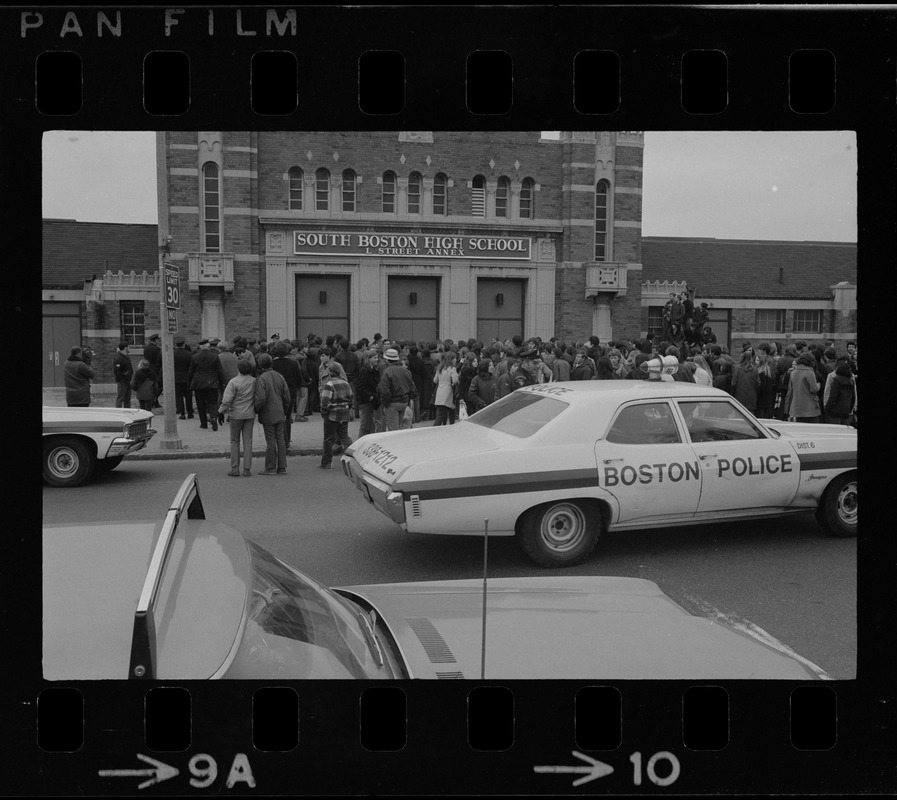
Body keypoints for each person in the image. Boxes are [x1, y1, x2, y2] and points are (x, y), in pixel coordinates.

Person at [253, 353, 291, 475]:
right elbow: (287, 397)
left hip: (268, 412)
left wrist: (256, 409)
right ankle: (282, 466)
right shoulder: (279, 376)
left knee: (270, 441)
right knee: (280, 439)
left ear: (260, 364)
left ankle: (270, 467)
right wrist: (285, 410)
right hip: (279, 411)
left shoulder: (262, 378)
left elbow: (260, 398)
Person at [218, 358, 256, 476]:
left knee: (234, 441)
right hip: (250, 413)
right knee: (248, 441)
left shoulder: (233, 382)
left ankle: (235, 468)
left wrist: (221, 411)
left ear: (238, 368)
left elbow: (227, 400)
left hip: (236, 414)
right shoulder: (254, 381)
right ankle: (247, 469)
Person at [319, 361, 354, 469]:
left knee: (328, 439)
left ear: (330, 373)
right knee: (344, 436)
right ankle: (354, 456)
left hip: (332, 414)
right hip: (344, 413)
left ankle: (326, 462)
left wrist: (324, 411)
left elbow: (325, 401)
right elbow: (351, 399)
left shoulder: (329, 385)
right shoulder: (346, 383)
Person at [188, 339, 225, 430]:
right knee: (212, 402)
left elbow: (191, 372)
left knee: (200, 403)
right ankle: (213, 417)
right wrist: (221, 384)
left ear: (200, 347)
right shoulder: (215, 356)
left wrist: (189, 384)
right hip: (212, 382)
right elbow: (220, 371)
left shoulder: (195, 357)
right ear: (208, 346)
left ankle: (203, 423)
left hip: (198, 383)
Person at [378, 348, 417, 431]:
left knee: (393, 430)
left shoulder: (387, 371)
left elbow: (385, 389)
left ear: (387, 360)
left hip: (392, 403)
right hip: (404, 402)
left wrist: (386, 402)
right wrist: (408, 398)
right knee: (400, 428)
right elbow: (412, 387)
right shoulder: (405, 371)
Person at [270, 342, 301, 449]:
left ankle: (278, 440)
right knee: (287, 417)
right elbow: (299, 379)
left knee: (277, 418)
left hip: (275, 393)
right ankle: (286, 441)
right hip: (290, 393)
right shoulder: (293, 363)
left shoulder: (272, 364)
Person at [784, 352, 822, 422]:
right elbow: (813, 389)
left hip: (796, 407)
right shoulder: (810, 372)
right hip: (810, 407)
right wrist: (818, 385)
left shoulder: (793, 372)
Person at [354, 349, 382, 438]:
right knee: (365, 425)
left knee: (370, 424)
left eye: (377, 357)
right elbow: (359, 387)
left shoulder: (372, 370)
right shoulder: (365, 371)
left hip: (370, 400)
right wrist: (369, 397)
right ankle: (359, 444)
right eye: (374, 358)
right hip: (367, 401)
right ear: (368, 359)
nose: (377, 359)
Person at [824, 360, 856, 425]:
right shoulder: (851, 381)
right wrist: (850, 409)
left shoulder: (836, 380)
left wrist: (827, 409)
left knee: (835, 430)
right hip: (846, 410)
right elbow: (853, 397)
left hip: (835, 410)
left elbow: (833, 397)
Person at [432, 350, 460, 425]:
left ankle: (445, 426)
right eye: (454, 358)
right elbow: (455, 381)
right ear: (451, 359)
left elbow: (435, 380)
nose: (456, 360)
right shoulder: (452, 369)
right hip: (448, 392)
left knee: (442, 412)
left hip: (439, 391)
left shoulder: (440, 368)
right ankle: (437, 428)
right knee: (447, 413)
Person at [173, 336, 195, 419]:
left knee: (179, 397)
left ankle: (181, 413)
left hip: (177, 378)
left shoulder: (172, 354)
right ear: (183, 344)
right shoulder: (189, 354)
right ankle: (190, 412)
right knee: (188, 396)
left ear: (176, 345)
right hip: (187, 378)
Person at [143, 333, 163, 408]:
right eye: (158, 340)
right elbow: (158, 360)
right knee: (158, 386)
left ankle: (155, 402)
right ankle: (153, 400)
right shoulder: (156, 349)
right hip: (155, 369)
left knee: (151, 386)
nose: (159, 341)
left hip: (148, 368)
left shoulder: (146, 348)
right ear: (155, 340)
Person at [112, 341, 133, 408]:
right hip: (122, 381)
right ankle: (118, 413)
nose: (129, 348)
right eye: (128, 347)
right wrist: (121, 379)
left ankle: (127, 412)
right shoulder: (118, 358)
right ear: (125, 348)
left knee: (127, 399)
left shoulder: (126, 357)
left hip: (127, 381)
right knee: (120, 398)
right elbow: (117, 371)